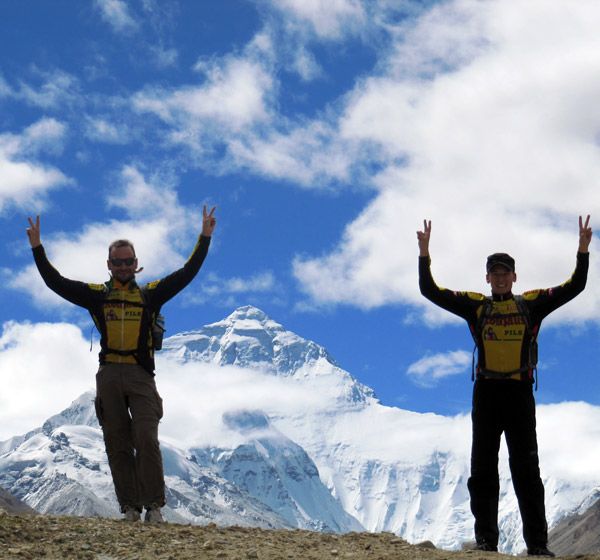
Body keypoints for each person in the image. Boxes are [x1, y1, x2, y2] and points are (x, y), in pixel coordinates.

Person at [26, 206, 217, 523]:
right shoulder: (97, 295)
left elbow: (187, 273)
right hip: (109, 374)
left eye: (129, 261)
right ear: (109, 265)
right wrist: (37, 248)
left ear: (136, 264)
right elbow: (55, 282)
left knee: (145, 437)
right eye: (119, 262)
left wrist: (204, 238)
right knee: (116, 443)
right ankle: (130, 507)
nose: (125, 266)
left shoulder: (150, 294)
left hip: (141, 374)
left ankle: (154, 507)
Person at [417, 216, 592, 557]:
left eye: (505, 273)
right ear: (487, 278)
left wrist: (582, 251)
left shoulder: (531, 304)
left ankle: (538, 546)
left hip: (519, 393)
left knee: (527, 471)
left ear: (514, 277)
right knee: (482, 472)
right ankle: (486, 543)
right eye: (494, 273)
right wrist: (425, 254)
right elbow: (430, 291)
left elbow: (575, 287)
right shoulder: (476, 306)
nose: (499, 278)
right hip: (486, 393)